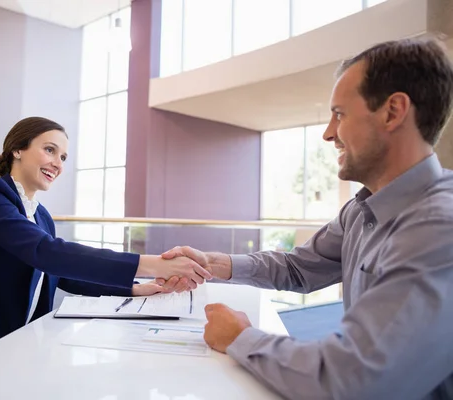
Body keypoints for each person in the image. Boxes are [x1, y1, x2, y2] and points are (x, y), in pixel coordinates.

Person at [160, 38, 453, 399]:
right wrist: (216, 264)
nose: (329, 132)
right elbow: (300, 267)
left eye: (340, 114)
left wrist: (240, 337)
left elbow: (353, 381)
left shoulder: (440, 226)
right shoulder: (362, 210)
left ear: (393, 112)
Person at [0, 117, 211, 385]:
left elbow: (60, 273)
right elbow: (46, 252)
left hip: (10, 354)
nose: (58, 163)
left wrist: (134, 289)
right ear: (17, 149)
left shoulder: (40, 216)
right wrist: (154, 264)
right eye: (49, 150)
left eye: (63, 156)